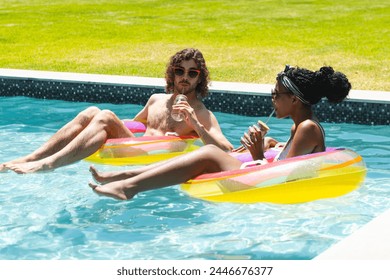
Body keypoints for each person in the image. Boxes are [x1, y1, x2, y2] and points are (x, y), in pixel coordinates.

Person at [88, 65, 351, 200]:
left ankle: (128, 187)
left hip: (268, 178)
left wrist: (259, 152)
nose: (273, 99)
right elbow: (292, 157)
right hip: (264, 164)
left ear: (294, 100)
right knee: (207, 153)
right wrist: (272, 145)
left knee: (210, 153)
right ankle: (120, 176)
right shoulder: (301, 125)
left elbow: (286, 174)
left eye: (277, 94)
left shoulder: (306, 127)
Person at [0, 48, 233, 173]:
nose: (185, 77)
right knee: (92, 111)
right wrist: (99, 122)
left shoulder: (201, 112)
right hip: (136, 149)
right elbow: (133, 126)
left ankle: (48, 164)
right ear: (172, 73)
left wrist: (194, 123)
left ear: (199, 78)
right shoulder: (156, 100)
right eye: (180, 71)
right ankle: (31, 157)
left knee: (105, 116)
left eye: (192, 73)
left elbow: (226, 149)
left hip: (152, 160)